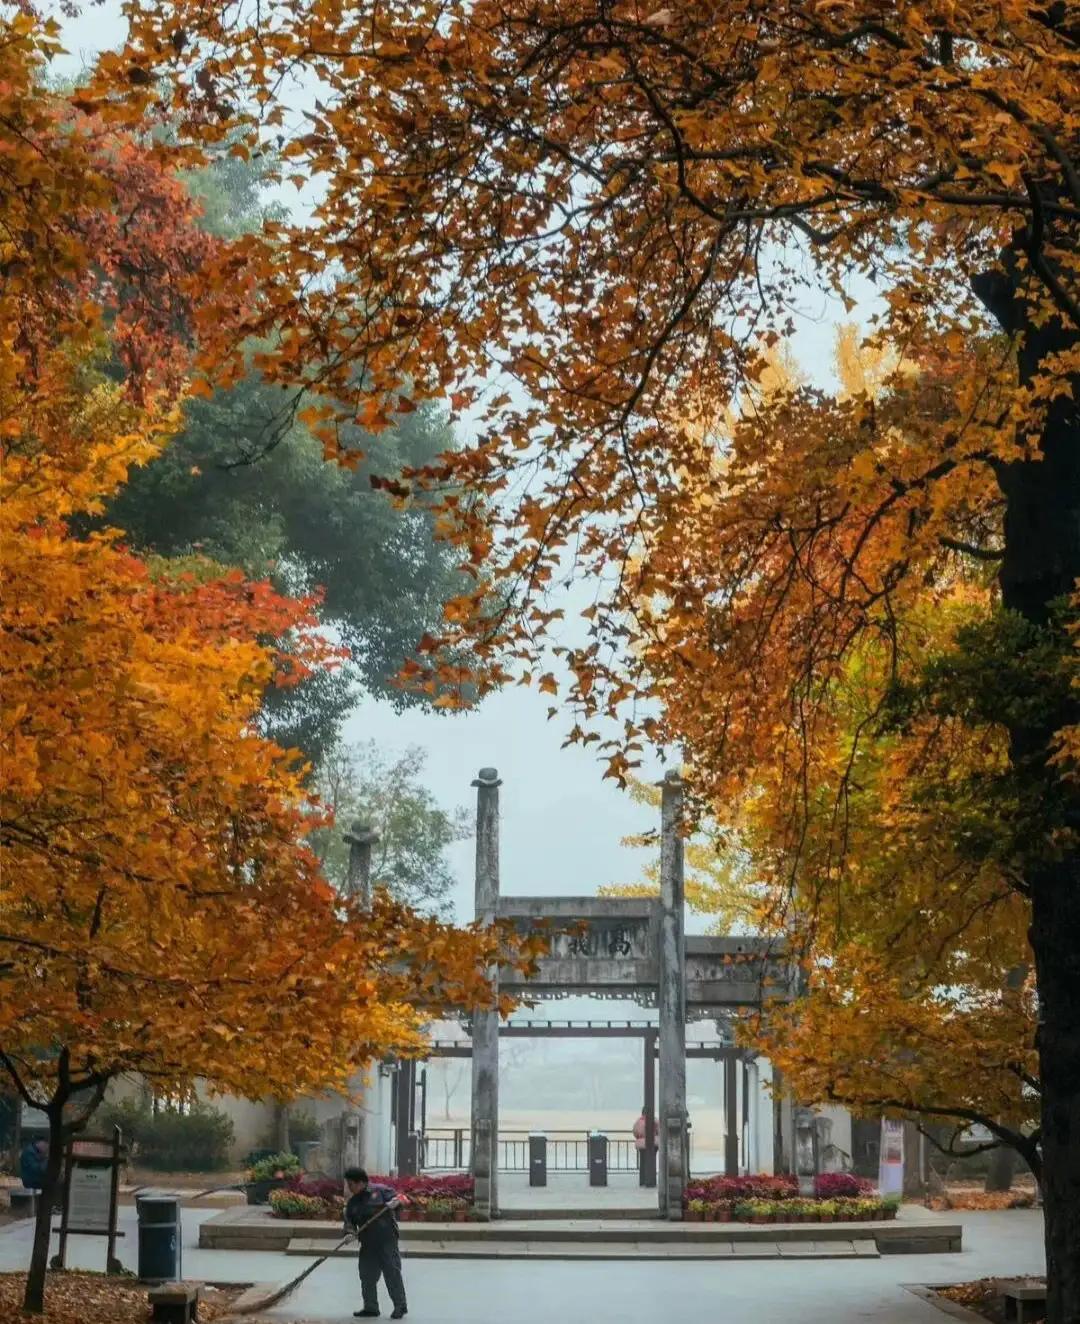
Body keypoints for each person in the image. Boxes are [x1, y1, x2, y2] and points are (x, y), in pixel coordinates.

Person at [343, 1167, 407, 1320]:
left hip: (387, 1240)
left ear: (361, 1182)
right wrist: (350, 1234)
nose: (349, 1188)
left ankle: (400, 1306)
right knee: (367, 1275)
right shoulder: (352, 1203)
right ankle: (370, 1307)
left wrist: (396, 1203)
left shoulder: (381, 1191)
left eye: (351, 1184)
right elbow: (349, 1223)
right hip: (368, 1243)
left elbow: (402, 1200)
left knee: (392, 1272)